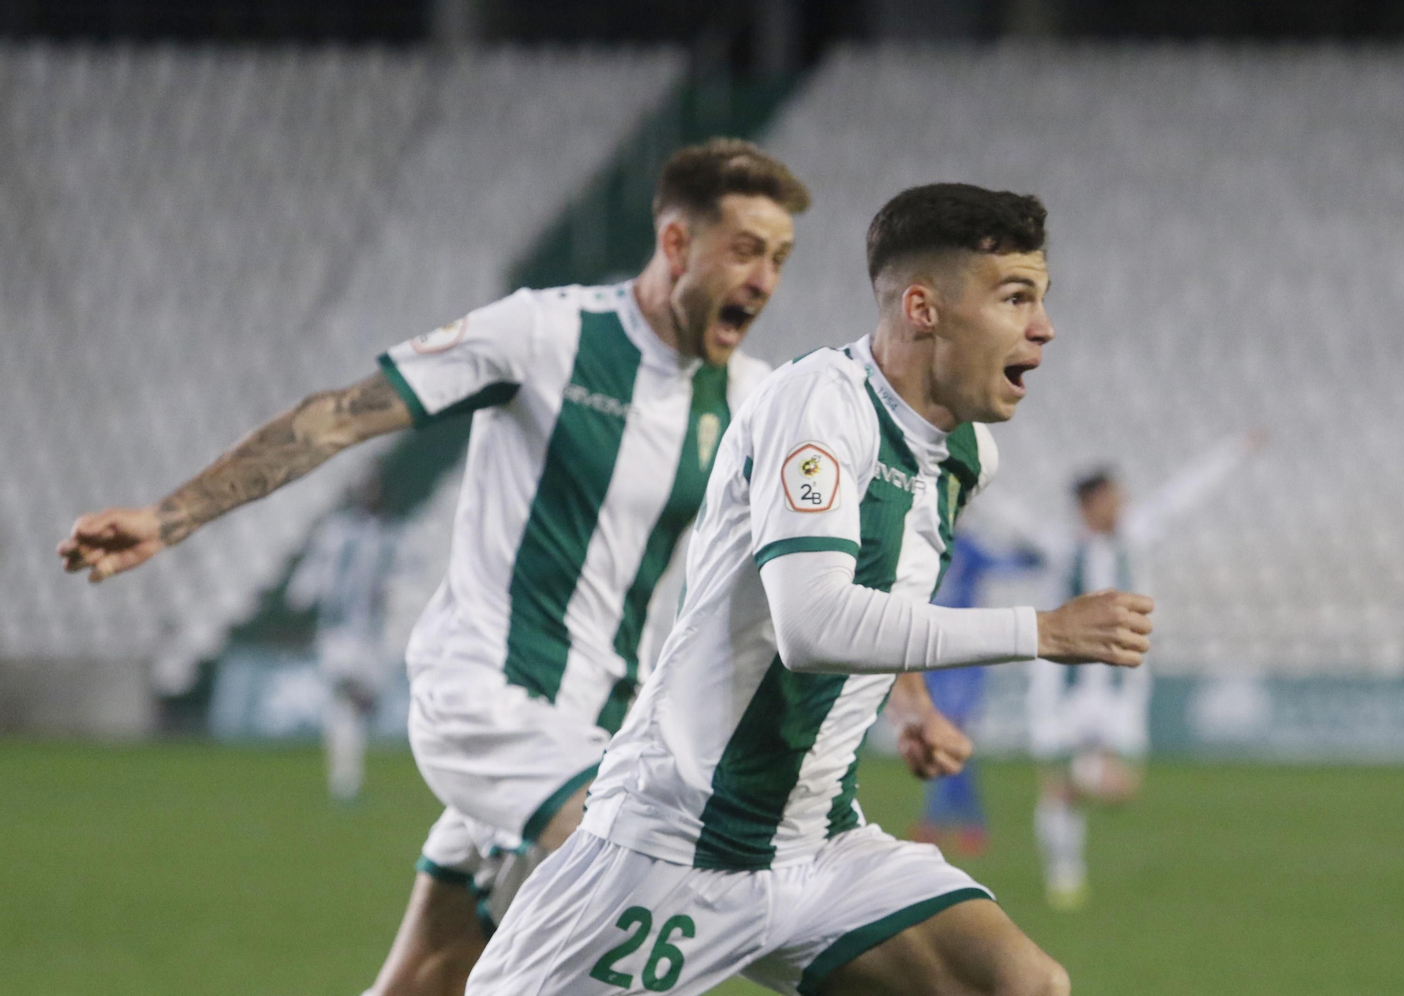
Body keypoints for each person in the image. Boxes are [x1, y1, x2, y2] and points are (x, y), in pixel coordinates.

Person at [57, 139, 809, 996]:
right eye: (745, 250)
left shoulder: (754, 398)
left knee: (430, 975)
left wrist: (907, 695)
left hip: (599, 731)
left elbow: (814, 565)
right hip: (486, 699)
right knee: (641, 873)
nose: (765, 280)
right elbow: (341, 416)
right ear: (676, 244)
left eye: (780, 259)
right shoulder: (544, 333)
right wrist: (170, 514)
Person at [464, 183, 1155, 996]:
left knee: (1020, 985)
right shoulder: (817, 404)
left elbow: (878, 585)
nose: (1043, 327)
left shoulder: (964, 455)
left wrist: (912, 702)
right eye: (1016, 298)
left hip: (818, 847)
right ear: (924, 309)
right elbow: (812, 620)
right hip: (677, 837)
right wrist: (1041, 630)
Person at [1029, 432, 1264, 910]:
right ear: (1090, 502)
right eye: (1114, 495)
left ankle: (1076, 782)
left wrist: (1234, 451)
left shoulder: (1134, 536)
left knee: (1117, 788)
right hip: (1067, 688)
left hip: (1121, 686)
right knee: (1064, 786)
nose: (1123, 503)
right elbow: (1000, 512)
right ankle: (1065, 873)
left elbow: (1184, 496)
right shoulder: (1057, 545)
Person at [911, 532, 1039, 855]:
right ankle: (958, 823)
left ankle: (954, 823)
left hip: (964, 657)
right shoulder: (917, 543)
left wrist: (1026, 559)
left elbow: (1002, 565)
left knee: (950, 734)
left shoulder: (964, 547)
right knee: (937, 737)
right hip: (930, 655)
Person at [284, 473, 404, 801]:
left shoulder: (387, 536)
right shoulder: (342, 533)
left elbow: (401, 585)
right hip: (339, 635)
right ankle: (345, 781)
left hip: (369, 637)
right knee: (345, 702)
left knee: (363, 704)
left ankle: (347, 771)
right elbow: (309, 579)